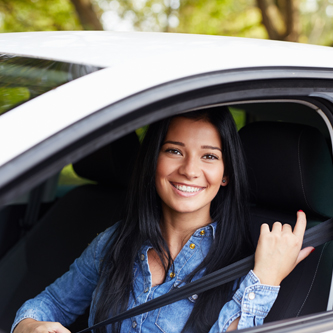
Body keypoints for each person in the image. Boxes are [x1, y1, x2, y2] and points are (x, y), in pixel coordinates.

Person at [12, 107, 314, 333]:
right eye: (174, 151)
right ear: (153, 161)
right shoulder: (114, 242)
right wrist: (28, 325)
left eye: (209, 156)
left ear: (226, 174)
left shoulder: (245, 260)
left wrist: (266, 279)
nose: (189, 170)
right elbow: (53, 301)